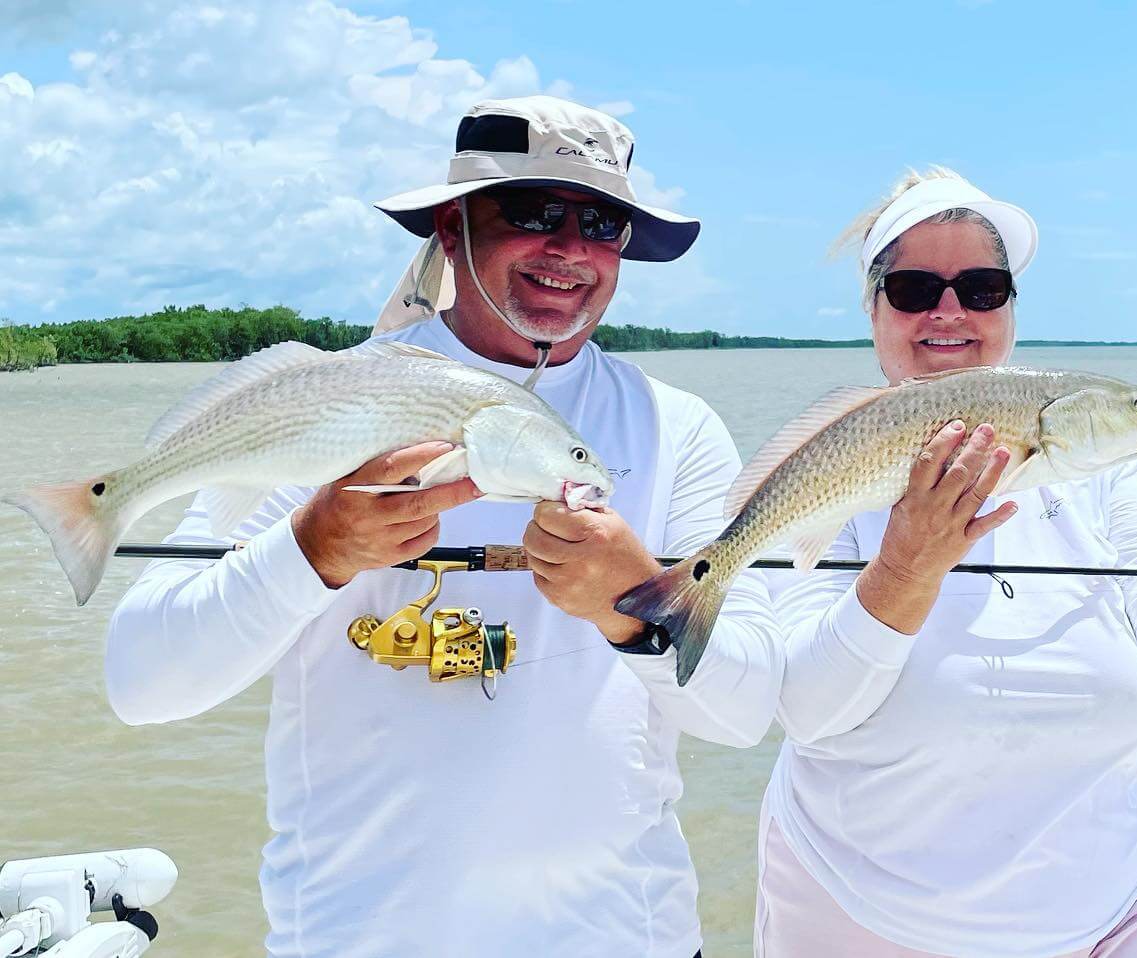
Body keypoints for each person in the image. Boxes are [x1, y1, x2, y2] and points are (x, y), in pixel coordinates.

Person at [104, 95, 783, 958]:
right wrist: (311, 553)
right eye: (535, 212)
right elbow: (141, 683)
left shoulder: (675, 428)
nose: (570, 248)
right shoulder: (327, 405)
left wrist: (630, 607)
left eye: (602, 223)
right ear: (454, 228)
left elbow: (745, 711)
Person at [753, 167, 1137, 958]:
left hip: (1116, 912)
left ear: (1010, 306)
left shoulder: (1109, 471)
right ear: (872, 310)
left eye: (982, 287)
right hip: (858, 914)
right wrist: (905, 567)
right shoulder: (835, 466)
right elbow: (806, 707)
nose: (950, 312)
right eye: (912, 289)